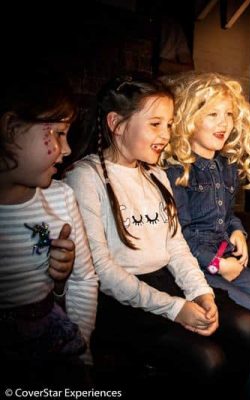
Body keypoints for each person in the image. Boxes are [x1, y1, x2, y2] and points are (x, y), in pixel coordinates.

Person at [63, 74, 250, 395]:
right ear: (116, 123)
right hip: (121, 300)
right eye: (155, 124)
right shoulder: (86, 178)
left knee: (248, 326)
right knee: (207, 359)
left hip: (166, 281)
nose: (166, 135)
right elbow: (103, 271)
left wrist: (202, 294)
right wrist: (175, 308)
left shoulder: (156, 175)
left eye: (169, 125)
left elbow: (178, 247)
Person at [161, 72, 250, 400]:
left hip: (226, 259)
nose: (223, 123)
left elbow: (227, 217)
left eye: (228, 114)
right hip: (198, 268)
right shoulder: (177, 170)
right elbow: (177, 235)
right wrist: (215, 264)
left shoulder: (225, 165)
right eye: (212, 114)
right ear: (187, 118)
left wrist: (238, 232)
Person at [0, 68, 98, 384]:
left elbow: (84, 279)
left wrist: (81, 350)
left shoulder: (61, 197)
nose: (67, 150)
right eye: (57, 133)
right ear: (11, 129)